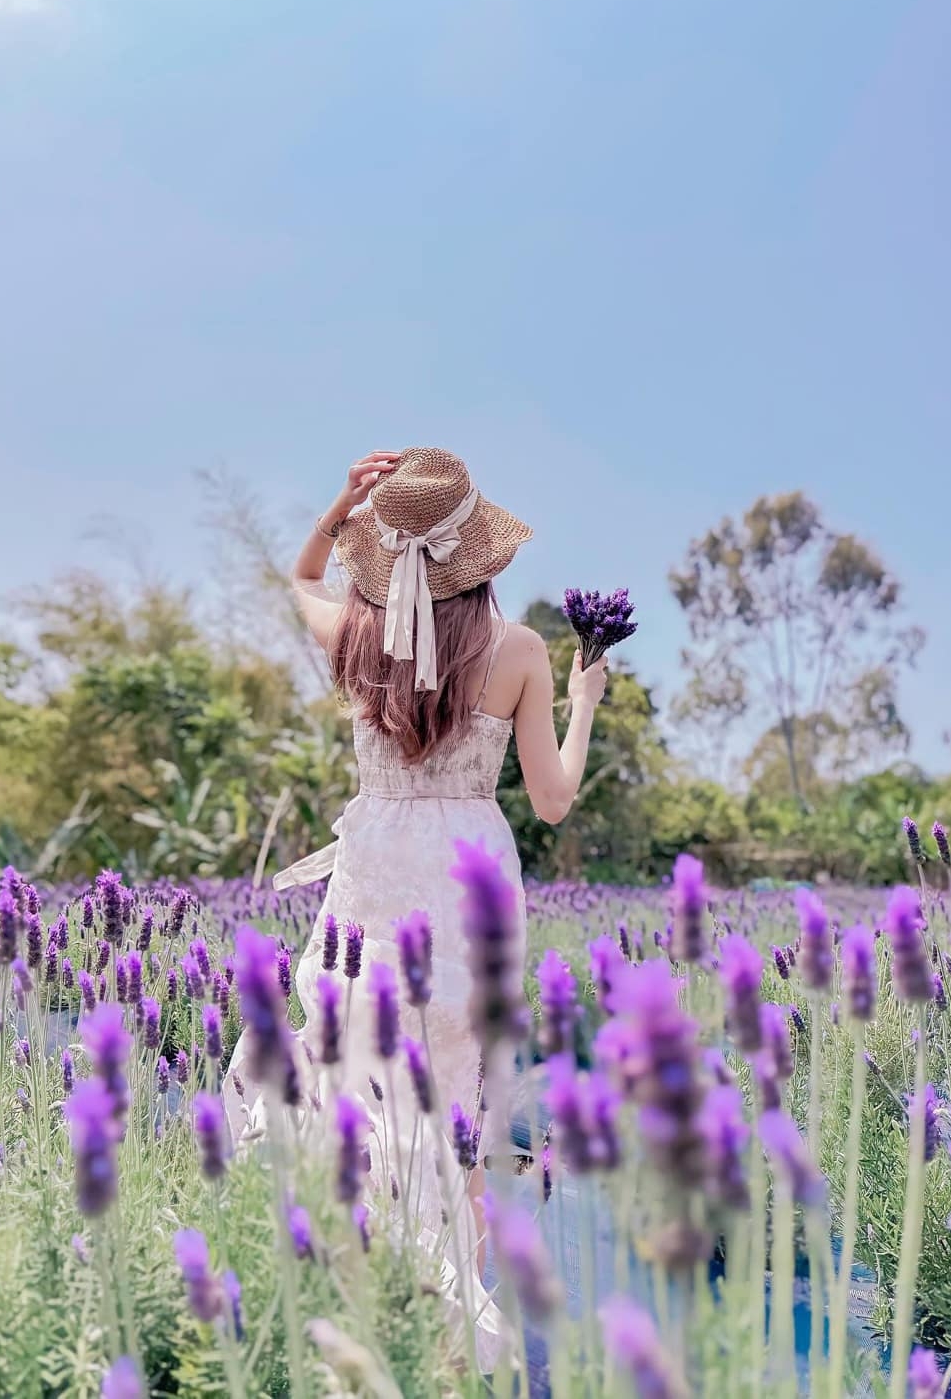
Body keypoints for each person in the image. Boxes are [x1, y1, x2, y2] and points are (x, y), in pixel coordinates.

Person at [224, 446, 608, 1365]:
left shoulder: (356, 635)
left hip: (377, 864)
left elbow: (297, 577)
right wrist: (585, 700)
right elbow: (553, 800)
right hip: (469, 873)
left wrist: (340, 505)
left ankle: (347, 1266)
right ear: (479, 557)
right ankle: (454, 1311)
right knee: (458, 1085)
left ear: (386, 551)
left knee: (350, 1056)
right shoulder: (518, 651)